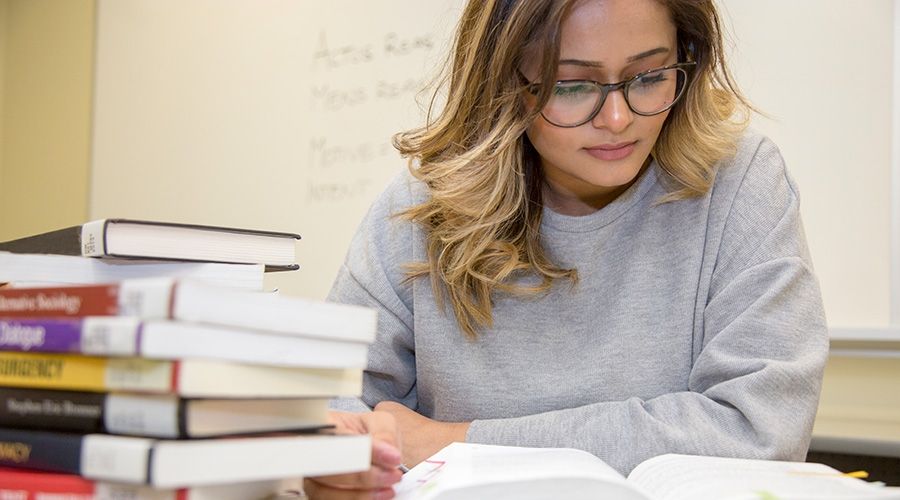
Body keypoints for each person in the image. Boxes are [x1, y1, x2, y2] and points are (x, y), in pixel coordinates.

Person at [306, 0, 829, 497]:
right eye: (573, 85)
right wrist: (335, 459)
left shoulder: (742, 183)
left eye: (649, 77)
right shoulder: (421, 208)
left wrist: (445, 441)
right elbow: (325, 405)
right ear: (504, 84)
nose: (619, 119)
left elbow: (758, 430)